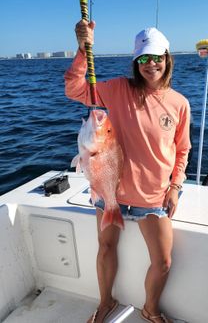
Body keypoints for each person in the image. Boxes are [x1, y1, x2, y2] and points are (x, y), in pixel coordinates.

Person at [65, 19, 191, 323]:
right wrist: (83, 50)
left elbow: (183, 150)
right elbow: (75, 89)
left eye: (157, 57)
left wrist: (174, 187)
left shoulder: (179, 104)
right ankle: (106, 302)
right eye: (144, 58)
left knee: (162, 262)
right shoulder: (118, 89)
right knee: (106, 247)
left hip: (153, 197)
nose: (151, 64)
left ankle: (150, 309)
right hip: (112, 191)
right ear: (136, 62)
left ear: (167, 59)